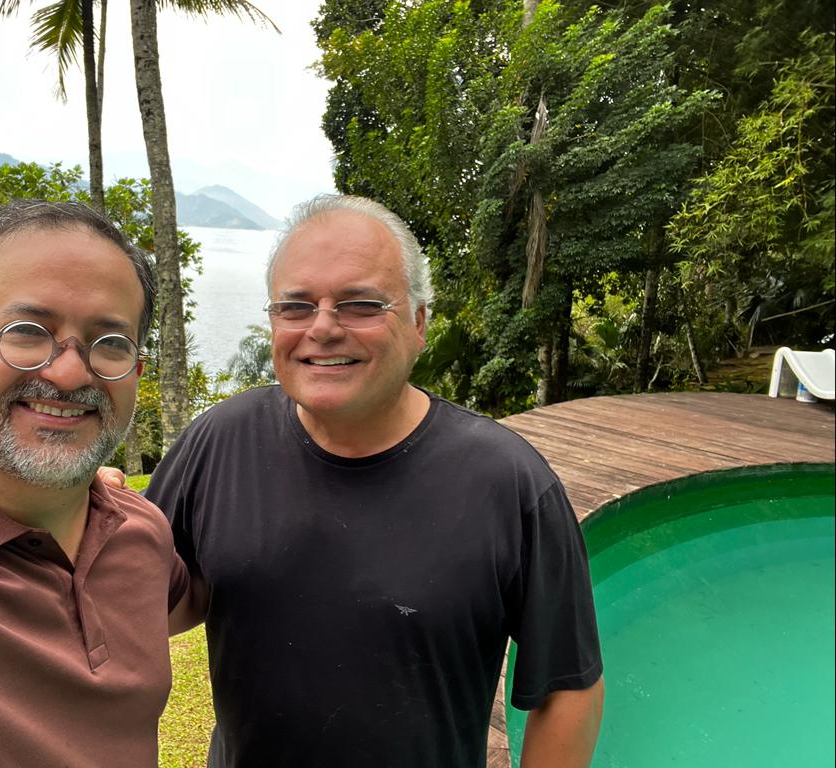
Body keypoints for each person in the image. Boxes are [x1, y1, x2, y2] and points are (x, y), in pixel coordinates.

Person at [144, 194, 604, 767]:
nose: (323, 328)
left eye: (360, 304)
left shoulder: (507, 482)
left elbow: (568, 684)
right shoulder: (220, 440)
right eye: (295, 306)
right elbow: (164, 598)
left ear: (418, 324)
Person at [0, 200, 204, 767]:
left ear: (135, 372)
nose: (71, 372)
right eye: (27, 332)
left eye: (111, 342)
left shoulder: (139, 533)